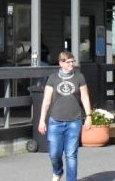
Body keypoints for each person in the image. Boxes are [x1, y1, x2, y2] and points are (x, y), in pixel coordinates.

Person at [38, 49, 92, 181]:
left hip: (74, 121)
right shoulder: (53, 78)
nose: (71, 64)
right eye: (68, 62)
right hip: (55, 121)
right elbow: (46, 100)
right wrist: (42, 120)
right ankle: (58, 171)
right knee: (54, 154)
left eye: (72, 62)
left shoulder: (79, 77)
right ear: (61, 63)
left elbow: (85, 97)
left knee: (71, 154)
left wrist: (89, 116)